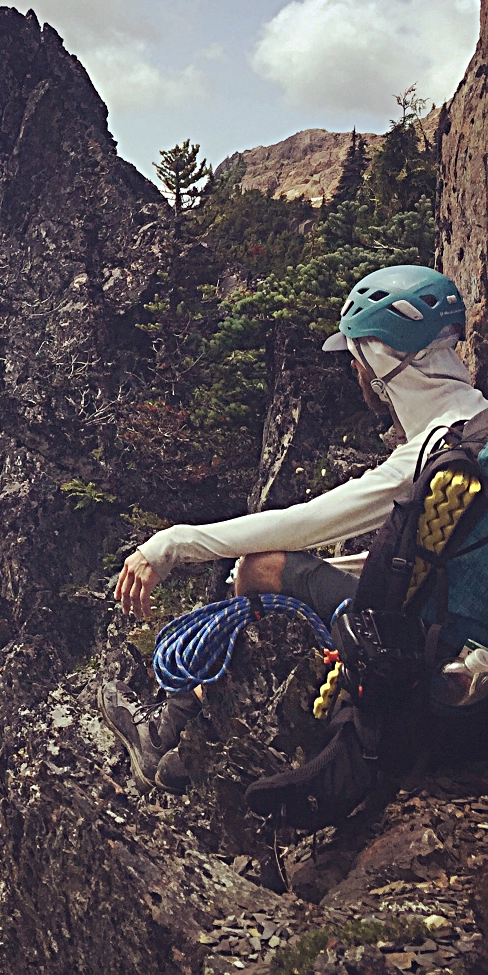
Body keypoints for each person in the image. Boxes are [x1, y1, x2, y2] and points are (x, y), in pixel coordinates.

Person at [100, 265, 488, 793]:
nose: (356, 375)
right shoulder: (477, 429)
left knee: (259, 568)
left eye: (356, 358)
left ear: (380, 361)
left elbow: (297, 527)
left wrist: (170, 544)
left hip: (436, 648)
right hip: (464, 634)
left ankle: (187, 729)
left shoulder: (430, 453)